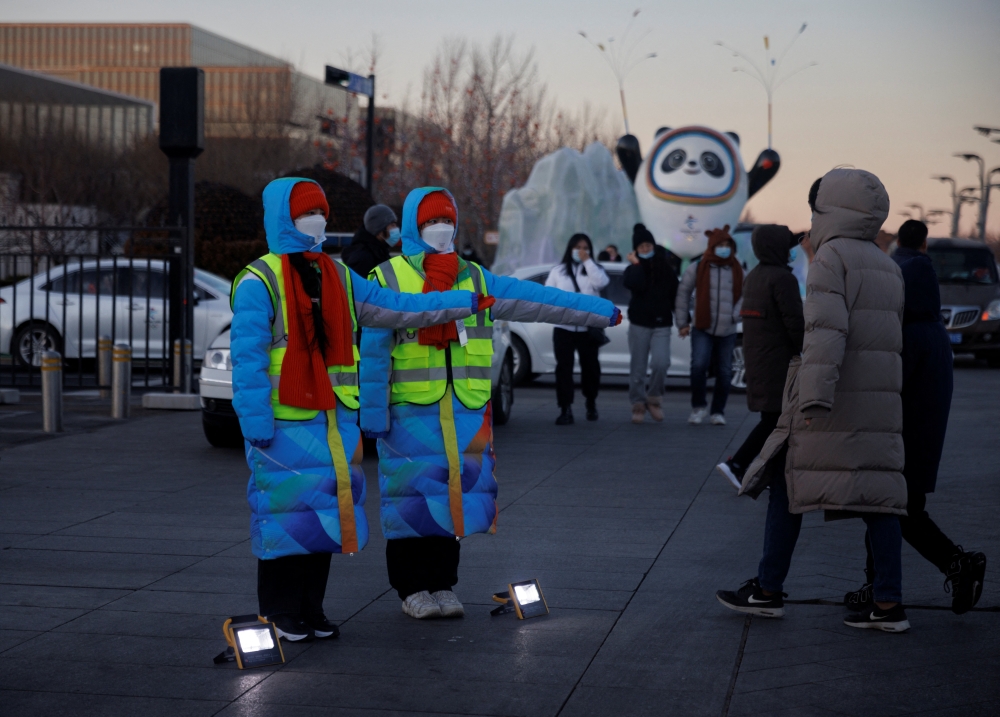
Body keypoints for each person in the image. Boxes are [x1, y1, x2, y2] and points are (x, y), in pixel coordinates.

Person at [230, 178, 485, 642]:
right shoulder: (259, 279)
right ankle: (281, 612)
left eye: (320, 213)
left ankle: (311, 609)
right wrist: (255, 421)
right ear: (284, 219)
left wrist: (455, 301)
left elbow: (398, 307)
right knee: (285, 516)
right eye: (306, 213)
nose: (317, 221)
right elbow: (247, 361)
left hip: (333, 418)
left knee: (324, 516)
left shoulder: (337, 274)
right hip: (286, 420)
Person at [360, 188, 619, 620]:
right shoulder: (387, 277)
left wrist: (597, 311)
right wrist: (372, 412)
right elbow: (373, 351)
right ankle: (411, 588)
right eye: (430, 221)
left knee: (454, 500)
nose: (440, 228)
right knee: (411, 500)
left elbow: (540, 301)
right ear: (413, 227)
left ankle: (443, 584)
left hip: (465, 409)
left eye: (446, 220)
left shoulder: (476, 278)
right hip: (410, 412)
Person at [717, 168, 911, 633]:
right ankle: (888, 604)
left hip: (834, 397)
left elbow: (826, 331)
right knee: (879, 495)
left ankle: (768, 590)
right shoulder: (887, 263)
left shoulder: (829, 258)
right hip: (879, 401)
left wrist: (813, 398)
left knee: (787, 483)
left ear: (826, 210)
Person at [844, 219, 987, 615]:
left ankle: (955, 564)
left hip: (902, 436)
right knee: (892, 508)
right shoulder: (934, 330)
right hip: (922, 436)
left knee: (891, 509)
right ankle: (884, 583)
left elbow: (888, 387)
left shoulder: (906, 334)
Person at [716, 225, 803, 487]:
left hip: (759, 357)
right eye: (789, 247)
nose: (792, 251)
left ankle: (769, 473)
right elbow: (794, 323)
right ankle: (738, 464)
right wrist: (806, 350)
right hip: (778, 360)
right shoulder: (783, 279)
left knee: (774, 419)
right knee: (775, 420)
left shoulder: (755, 275)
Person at [674, 225, 743, 425]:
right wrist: (682, 322)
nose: (724, 249)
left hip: (728, 329)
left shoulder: (738, 269)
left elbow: (746, 294)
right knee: (698, 366)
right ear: (712, 246)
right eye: (720, 245)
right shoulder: (698, 267)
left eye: (727, 245)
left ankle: (718, 412)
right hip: (702, 327)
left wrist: (735, 315)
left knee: (725, 371)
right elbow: (683, 294)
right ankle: (698, 407)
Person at [546, 233, 611, 424]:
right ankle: (565, 408)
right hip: (563, 328)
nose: (581, 251)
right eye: (577, 248)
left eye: (585, 248)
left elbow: (601, 283)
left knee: (590, 369)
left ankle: (591, 402)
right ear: (570, 249)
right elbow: (548, 294)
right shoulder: (558, 271)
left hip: (587, 329)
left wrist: (587, 262)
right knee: (563, 369)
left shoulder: (594, 269)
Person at [623, 223, 679, 423]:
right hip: (639, 324)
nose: (645, 249)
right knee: (638, 369)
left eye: (648, 245)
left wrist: (683, 321)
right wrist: (637, 264)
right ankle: (638, 404)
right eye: (641, 247)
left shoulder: (666, 268)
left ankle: (654, 399)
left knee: (661, 363)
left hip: (662, 323)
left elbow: (676, 296)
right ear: (636, 250)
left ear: (653, 246)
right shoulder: (632, 269)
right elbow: (635, 284)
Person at [340, 204, 400, 280]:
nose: (396, 229)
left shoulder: (380, 252)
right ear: (379, 229)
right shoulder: (363, 258)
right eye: (392, 225)